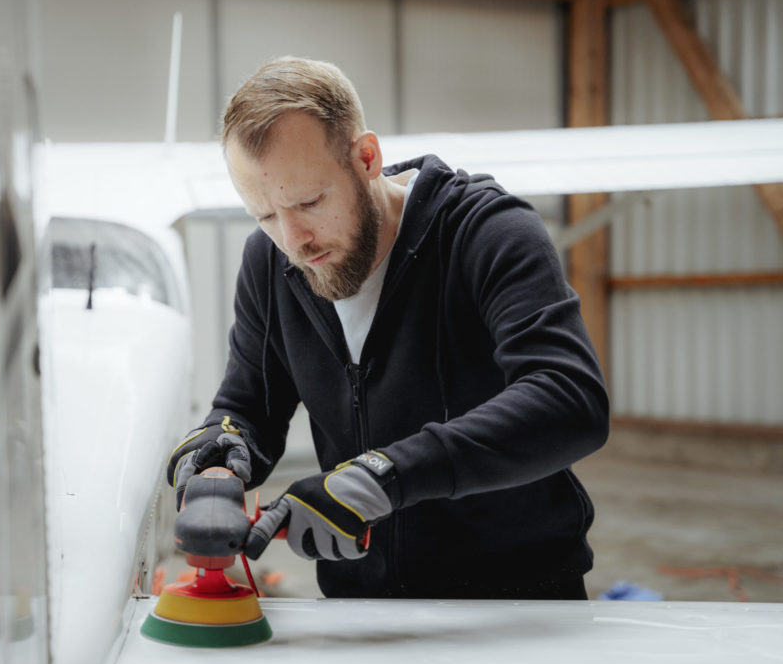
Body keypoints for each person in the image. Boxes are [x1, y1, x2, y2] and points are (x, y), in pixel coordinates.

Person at [167, 56, 609, 600]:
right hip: (362, 612)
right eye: (264, 215)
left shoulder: (488, 234)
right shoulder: (269, 262)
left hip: (517, 602)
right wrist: (220, 450)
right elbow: (248, 404)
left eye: (309, 202)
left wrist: (386, 475)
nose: (295, 241)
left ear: (367, 158)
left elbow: (571, 400)